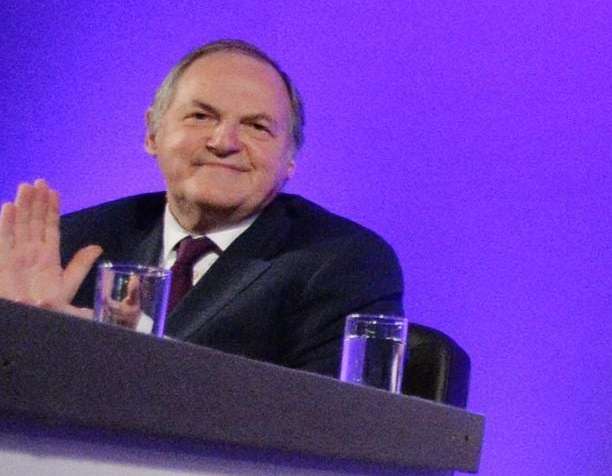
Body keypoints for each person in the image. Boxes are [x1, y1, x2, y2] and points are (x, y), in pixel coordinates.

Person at [0, 39, 402, 377]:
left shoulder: (344, 264)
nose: (223, 141)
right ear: (152, 133)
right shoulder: (71, 246)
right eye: (200, 116)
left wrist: (106, 355)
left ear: (290, 159)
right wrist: (18, 336)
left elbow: (325, 425)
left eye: (257, 127)